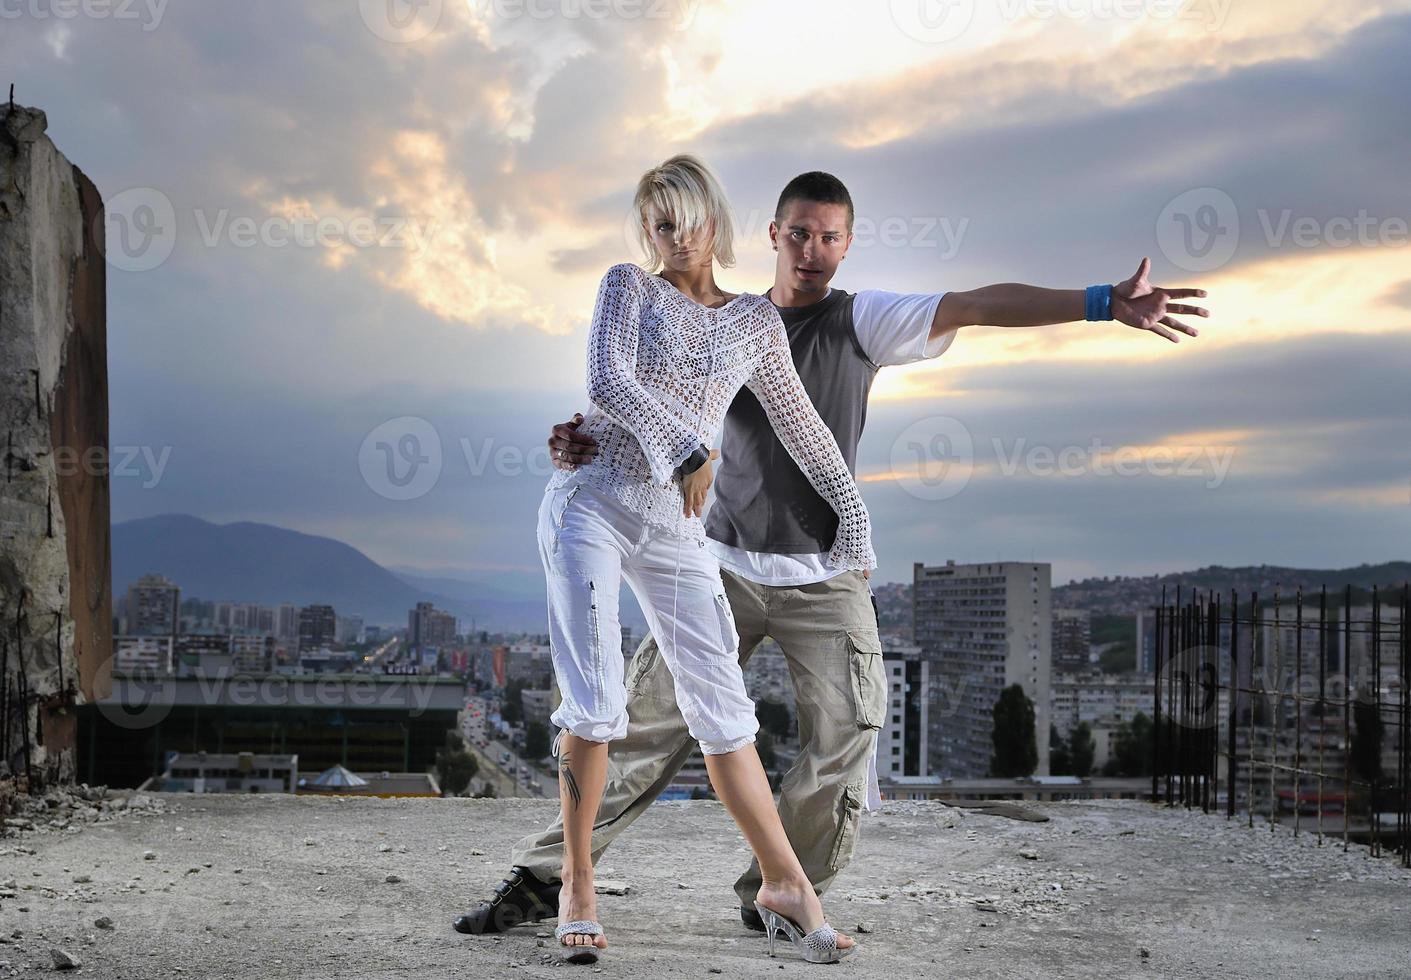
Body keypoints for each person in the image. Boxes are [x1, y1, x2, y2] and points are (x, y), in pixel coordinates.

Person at [456, 170, 1208, 941]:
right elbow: (629, 390)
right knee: (643, 726)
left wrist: (1097, 302)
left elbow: (977, 305)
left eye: (830, 237)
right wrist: (581, 436)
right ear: (772, 235)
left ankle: (775, 889)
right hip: (713, 555)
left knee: (847, 732)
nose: (813, 250)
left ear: (845, 246)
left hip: (821, 572)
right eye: (800, 233)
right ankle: (548, 879)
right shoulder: (701, 316)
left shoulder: (858, 321)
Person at [525, 155, 874, 965]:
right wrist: (686, 446)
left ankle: (785, 885)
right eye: (659, 224)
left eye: (688, 221)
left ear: (715, 221)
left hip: (676, 530)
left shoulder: (752, 322)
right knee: (598, 700)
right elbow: (606, 382)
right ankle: (577, 883)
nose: (675, 238)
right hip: (594, 505)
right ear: (646, 229)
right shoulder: (627, 287)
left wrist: (852, 521)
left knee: (724, 711)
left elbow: (802, 428)